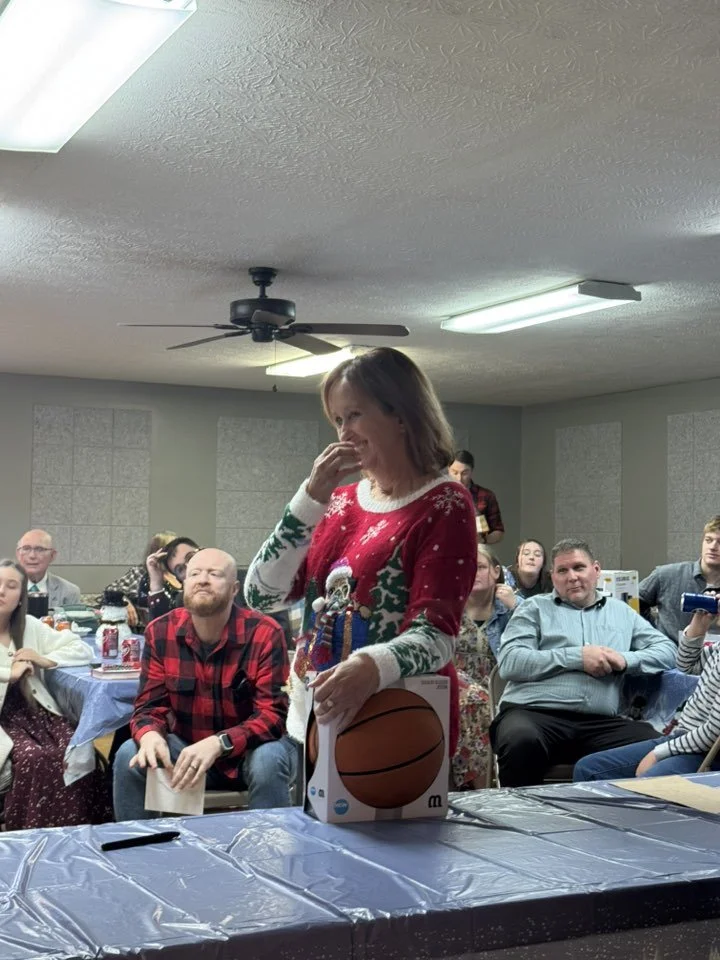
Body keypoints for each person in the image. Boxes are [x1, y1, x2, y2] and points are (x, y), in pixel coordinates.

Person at [244, 347, 477, 758]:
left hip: (396, 719)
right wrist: (308, 499)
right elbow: (261, 596)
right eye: (337, 419)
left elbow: (436, 635)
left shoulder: (445, 503)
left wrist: (371, 666)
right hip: (315, 720)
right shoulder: (336, 502)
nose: (343, 433)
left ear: (401, 415)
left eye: (354, 415)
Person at [113, 548, 295, 819]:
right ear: (184, 584)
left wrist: (219, 743)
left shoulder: (266, 633)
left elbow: (273, 717)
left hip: (250, 753)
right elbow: (149, 707)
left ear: (234, 589)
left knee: (268, 761)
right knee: (130, 753)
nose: (202, 580)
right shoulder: (160, 631)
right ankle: (135, 854)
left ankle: (268, 856)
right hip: (188, 748)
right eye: (194, 573)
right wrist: (150, 734)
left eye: (214, 574)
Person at [491, 538, 677, 787]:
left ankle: (618, 819)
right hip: (533, 715)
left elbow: (667, 651)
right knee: (520, 740)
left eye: (579, 567)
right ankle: (522, 820)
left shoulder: (621, 612)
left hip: (600, 723)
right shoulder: (533, 609)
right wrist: (577, 657)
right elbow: (511, 662)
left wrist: (625, 659)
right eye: (562, 570)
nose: (572, 577)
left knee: (662, 749)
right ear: (552, 576)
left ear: (596, 570)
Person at [0, 559, 111, 830]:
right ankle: (27, 835)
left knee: (75, 751)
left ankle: (78, 832)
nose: (1, 591)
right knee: (33, 759)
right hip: (5, 720)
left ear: (20, 597)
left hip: (37, 713)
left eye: (11, 586)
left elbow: (81, 649)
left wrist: (45, 658)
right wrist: (9, 673)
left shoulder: (29, 626)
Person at [574, 604, 720, 781]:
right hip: (686, 737)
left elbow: (713, 732)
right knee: (588, 768)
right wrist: (699, 625)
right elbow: (687, 665)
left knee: (648, 787)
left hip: (708, 750)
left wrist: (658, 753)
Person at [452, 545, 514, 790]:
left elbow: (536, 647)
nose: (472, 573)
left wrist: (515, 609)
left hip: (502, 692)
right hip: (454, 691)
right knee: (476, 701)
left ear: (496, 572)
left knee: (487, 704)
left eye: (479, 567)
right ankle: (481, 792)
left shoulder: (513, 609)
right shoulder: (448, 609)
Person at [639, 516, 720, 641]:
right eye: (708, 540)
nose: (713, 547)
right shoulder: (666, 575)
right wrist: (651, 633)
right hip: (670, 656)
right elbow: (632, 602)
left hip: (714, 658)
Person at [103, 530, 177, 629]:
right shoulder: (141, 573)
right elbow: (110, 591)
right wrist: (125, 602)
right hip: (144, 629)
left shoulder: (181, 573)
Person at [136, 535, 199, 623]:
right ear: (181, 580)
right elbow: (162, 630)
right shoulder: (182, 601)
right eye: (180, 569)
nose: (189, 568)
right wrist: (156, 583)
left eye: (190, 558)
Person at [448, 450, 504, 544]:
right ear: (448, 470)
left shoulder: (486, 496)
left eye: (464, 473)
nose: (459, 478)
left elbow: (498, 531)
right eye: (454, 472)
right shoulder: (439, 495)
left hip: (475, 551)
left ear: (471, 471)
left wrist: (483, 540)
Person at [16, 529, 81, 608]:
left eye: (39, 549)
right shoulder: (3, 589)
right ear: (18, 554)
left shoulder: (69, 592)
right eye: (26, 548)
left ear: (52, 555)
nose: (32, 556)